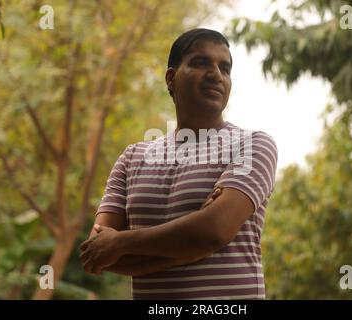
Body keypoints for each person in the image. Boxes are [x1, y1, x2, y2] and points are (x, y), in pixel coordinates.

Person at [80, 28, 278, 299]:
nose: (216, 75)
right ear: (171, 78)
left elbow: (213, 231)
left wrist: (121, 242)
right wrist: (190, 246)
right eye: (200, 62)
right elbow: (99, 253)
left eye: (225, 68)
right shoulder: (132, 158)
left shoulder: (252, 145)